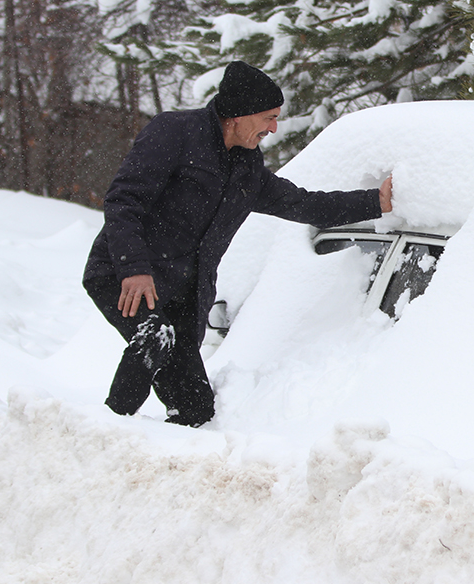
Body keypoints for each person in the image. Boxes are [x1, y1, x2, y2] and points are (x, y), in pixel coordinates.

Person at [83, 60, 391, 427]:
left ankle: (164, 455)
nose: (273, 128)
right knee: (154, 338)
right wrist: (133, 268)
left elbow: (304, 203)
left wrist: (375, 202)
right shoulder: (174, 133)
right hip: (125, 275)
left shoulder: (246, 170)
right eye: (268, 117)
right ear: (239, 114)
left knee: (196, 409)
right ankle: (105, 428)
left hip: (182, 296)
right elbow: (123, 200)